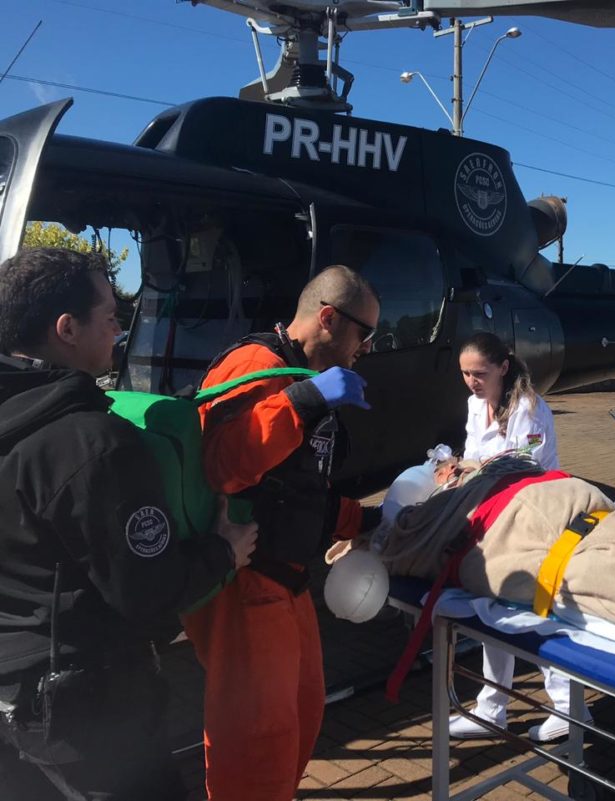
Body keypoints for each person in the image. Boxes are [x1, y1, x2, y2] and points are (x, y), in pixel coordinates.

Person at [0, 248, 257, 801]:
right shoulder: (97, 444)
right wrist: (224, 552)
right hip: (88, 710)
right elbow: (149, 593)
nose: (119, 330)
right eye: (111, 316)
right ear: (67, 329)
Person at [181, 265, 380, 801]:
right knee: (256, 743)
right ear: (328, 318)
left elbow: (299, 489)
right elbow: (223, 465)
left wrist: (369, 521)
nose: (366, 349)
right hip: (247, 583)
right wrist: (304, 401)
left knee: (301, 714)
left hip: (287, 580)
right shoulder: (256, 366)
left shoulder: (303, 377)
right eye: (364, 334)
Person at [449, 331, 592, 744]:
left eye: (480, 373)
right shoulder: (475, 406)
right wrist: (457, 467)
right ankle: (491, 707)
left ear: (503, 367)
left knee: (537, 608)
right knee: (494, 608)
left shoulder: (528, 409)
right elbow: (475, 456)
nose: (472, 382)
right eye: (465, 373)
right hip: (494, 515)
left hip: (536, 515)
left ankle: (570, 707)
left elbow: (523, 467)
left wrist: (472, 468)